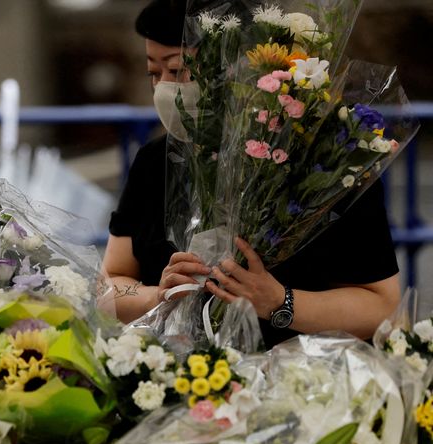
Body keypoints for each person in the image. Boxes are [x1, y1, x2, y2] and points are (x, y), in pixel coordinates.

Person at [102, 0, 400, 348]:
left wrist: (279, 302)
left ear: (238, 67)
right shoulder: (154, 163)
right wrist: (158, 295)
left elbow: (381, 306)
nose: (164, 89)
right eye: (154, 73)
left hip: (304, 380)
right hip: (179, 375)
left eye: (179, 70)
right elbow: (111, 283)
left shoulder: (327, 163)